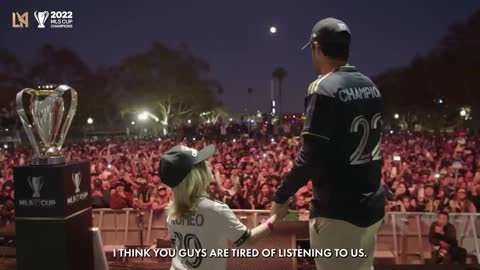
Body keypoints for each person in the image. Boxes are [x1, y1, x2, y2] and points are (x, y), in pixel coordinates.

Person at [271, 18, 385, 270]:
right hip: (373, 206)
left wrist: (282, 194)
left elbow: (311, 157)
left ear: (316, 47)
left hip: (338, 212)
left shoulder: (323, 88)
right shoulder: (371, 86)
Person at [160, 145, 289, 270]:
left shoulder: (172, 210)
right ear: (196, 175)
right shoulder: (214, 209)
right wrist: (275, 218)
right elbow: (248, 240)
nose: (209, 164)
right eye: (202, 162)